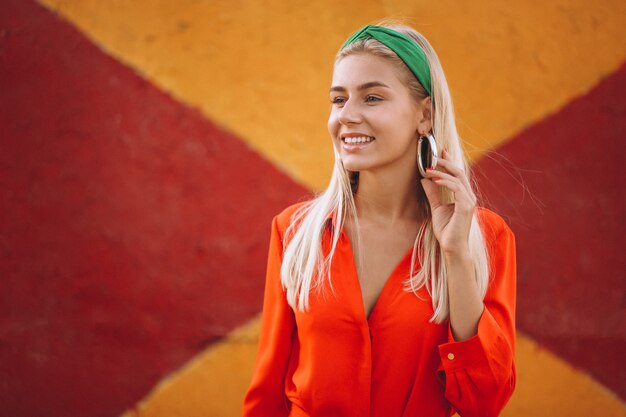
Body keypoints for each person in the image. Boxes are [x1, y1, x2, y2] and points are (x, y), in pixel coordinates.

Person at [242, 20, 516, 417]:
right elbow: (266, 396)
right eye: (339, 99)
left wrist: (455, 253)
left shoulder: (485, 238)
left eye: (372, 98)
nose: (347, 116)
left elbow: (485, 401)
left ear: (424, 113)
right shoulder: (294, 232)